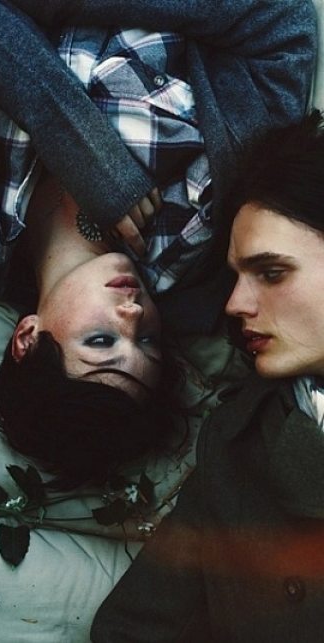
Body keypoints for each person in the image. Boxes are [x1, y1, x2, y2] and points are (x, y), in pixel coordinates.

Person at [0, 0, 316, 487]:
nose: (134, 314)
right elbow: (280, 21)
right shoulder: (200, 233)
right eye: (148, 341)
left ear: (27, 339)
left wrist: (82, 150)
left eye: (101, 341)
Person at [91, 112, 324, 643]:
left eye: (271, 273)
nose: (236, 304)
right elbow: (129, 630)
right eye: (236, 277)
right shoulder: (236, 444)